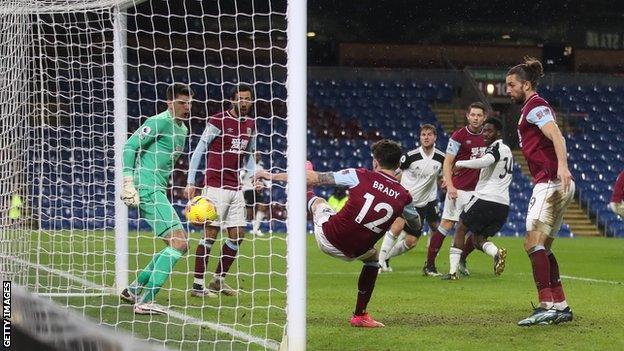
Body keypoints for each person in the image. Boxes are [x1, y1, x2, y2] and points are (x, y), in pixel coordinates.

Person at [257, 140, 419, 328]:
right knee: (374, 257)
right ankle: (359, 315)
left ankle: (306, 193)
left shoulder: (359, 175)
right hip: (355, 251)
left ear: (375, 162)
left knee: (319, 201)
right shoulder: (404, 196)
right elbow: (416, 222)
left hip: (328, 237)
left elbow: (314, 177)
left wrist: (269, 175)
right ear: (399, 164)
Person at [506, 56, 575, 326]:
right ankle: (560, 305)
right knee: (543, 247)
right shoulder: (531, 107)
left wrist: (563, 167)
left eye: (511, 85)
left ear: (526, 84)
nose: (508, 90)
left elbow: (556, 134)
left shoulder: (535, 106)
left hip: (550, 182)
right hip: (553, 182)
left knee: (531, 243)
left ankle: (546, 304)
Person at [119, 83, 193, 315]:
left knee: (178, 244)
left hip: (158, 188)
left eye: (189, 102)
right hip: (147, 187)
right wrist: (128, 181)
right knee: (179, 244)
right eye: (182, 102)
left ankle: (134, 290)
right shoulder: (158, 121)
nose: (187, 107)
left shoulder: (183, 130)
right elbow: (130, 146)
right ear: (169, 103)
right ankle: (145, 301)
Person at [186, 85, 256, 297]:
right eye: (240, 99)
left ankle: (218, 280)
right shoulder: (217, 121)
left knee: (238, 235)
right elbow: (199, 149)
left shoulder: (251, 125)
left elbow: (250, 154)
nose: (244, 103)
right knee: (210, 235)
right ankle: (198, 285)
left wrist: (253, 178)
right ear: (232, 101)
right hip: (215, 186)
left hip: (236, 187)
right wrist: (191, 181)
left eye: (247, 99)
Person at [441, 118, 510, 280]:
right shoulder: (507, 150)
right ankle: (496, 252)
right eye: (484, 131)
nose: (485, 134)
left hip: (486, 198)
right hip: (503, 204)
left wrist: (461, 163)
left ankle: (452, 272)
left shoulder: (496, 148)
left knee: (460, 228)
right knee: (478, 238)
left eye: (489, 131)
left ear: (498, 133)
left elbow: (486, 161)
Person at [423, 102, 487, 276]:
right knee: (446, 225)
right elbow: (448, 161)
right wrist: (450, 184)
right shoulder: (458, 136)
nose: (475, 118)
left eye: (479, 115)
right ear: (467, 116)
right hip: (458, 189)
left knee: (480, 230)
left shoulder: (488, 137)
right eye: (472, 115)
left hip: (478, 191)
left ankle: (462, 259)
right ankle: (429, 265)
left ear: (484, 117)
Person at [378, 124, 444, 273]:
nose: (426, 137)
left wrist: (445, 181)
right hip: (405, 199)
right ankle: (379, 263)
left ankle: (385, 258)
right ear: (420, 137)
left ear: (435, 137)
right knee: (397, 227)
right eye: (423, 135)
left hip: (422, 204)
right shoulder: (409, 156)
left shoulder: (441, 157)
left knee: (411, 241)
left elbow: (441, 175)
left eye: (429, 134)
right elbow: (394, 173)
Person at [240, 152, 270, 236]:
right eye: (256, 155)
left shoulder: (260, 167)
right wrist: (242, 178)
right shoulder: (246, 166)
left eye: (259, 155)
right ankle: (237, 227)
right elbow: (240, 176)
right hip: (248, 190)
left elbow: (265, 178)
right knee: (248, 213)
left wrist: (268, 185)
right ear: (252, 156)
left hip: (257, 190)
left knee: (262, 207)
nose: (258, 156)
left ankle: (255, 229)